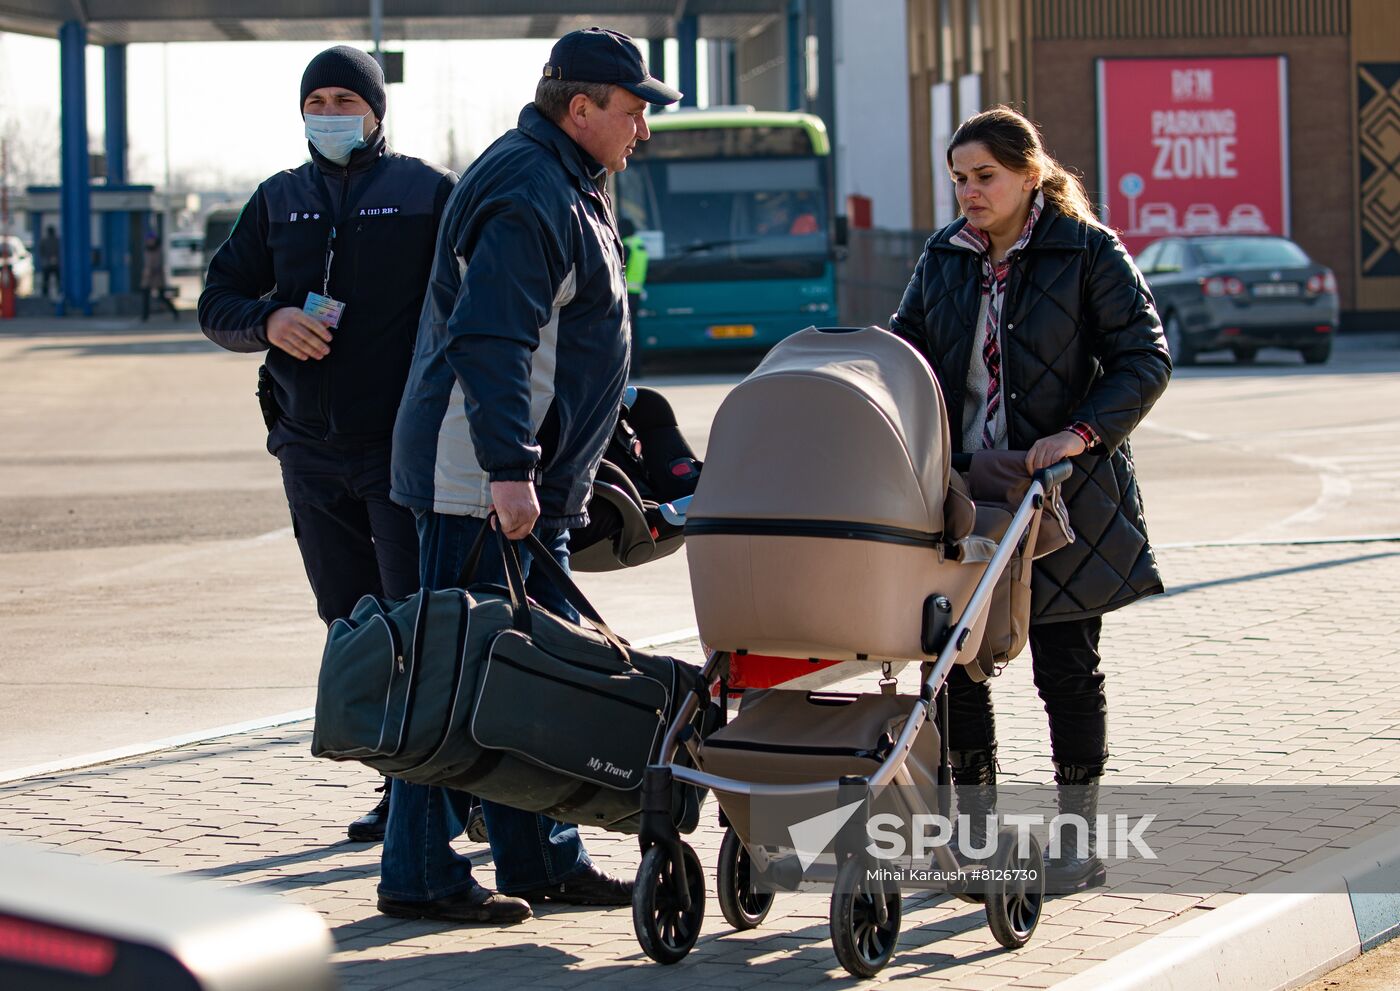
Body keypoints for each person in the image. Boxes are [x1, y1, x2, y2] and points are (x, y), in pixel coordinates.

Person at [385, 26, 681, 925]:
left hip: (519, 485)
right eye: (633, 112)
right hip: (478, 483)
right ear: (580, 107)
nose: (642, 130)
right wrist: (511, 471)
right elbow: (494, 340)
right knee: (457, 679)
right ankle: (421, 872)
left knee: (520, 678)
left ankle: (539, 856)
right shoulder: (529, 188)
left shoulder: (565, 179)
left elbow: (567, 336)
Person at [889, 105, 1171, 892]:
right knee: (956, 663)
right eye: (958, 180)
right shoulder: (944, 257)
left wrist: (1080, 433)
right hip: (964, 490)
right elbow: (905, 351)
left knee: (1066, 666)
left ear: (1028, 173)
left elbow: (1144, 358)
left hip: (1064, 493)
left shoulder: (1086, 250)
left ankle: (1078, 842)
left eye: (984, 177)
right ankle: (974, 838)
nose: (969, 193)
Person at [198, 46, 458, 844]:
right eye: (317, 99)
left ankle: (440, 791)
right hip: (309, 450)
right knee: (352, 622)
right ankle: (400, 783)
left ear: (377, 110)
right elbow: (218, 299)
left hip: (400, 450)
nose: (330, 111)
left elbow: (469, 300)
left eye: (346, 97)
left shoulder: (428, 193)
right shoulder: (279, 201)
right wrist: (270, 319)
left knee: (420, 622)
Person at [141, 233, 178, 320]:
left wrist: (151, 270)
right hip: (147, 278)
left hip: (157, 277)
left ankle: (174, 311)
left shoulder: (158, 250)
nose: (149, 242)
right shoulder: (147, 250)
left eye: (151, 240)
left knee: (162, 296)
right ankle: (145, 316)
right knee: (145, 296)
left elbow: (157, 263)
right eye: (148, 240)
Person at [38, 226, 60, 298]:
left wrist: (45, 258)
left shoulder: (44, 241)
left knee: (46, 280)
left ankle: (45, 294)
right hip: (56, 263)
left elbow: (41, 252)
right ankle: (59, 292)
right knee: (58, 279)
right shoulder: (57, 240)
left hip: (47, 263)